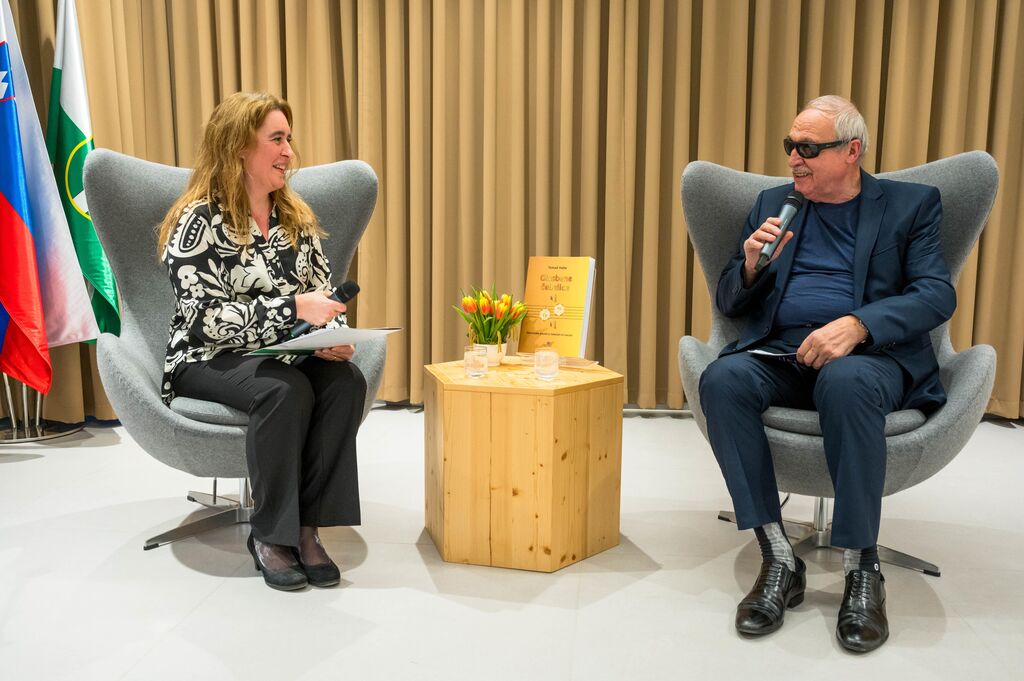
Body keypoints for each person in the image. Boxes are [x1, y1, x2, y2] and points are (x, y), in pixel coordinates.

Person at [698, 95, 955, 652]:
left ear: (852, 151)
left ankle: (863, 569)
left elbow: (936, 294)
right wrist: (749, 266)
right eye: (790, 146)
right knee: (722, 379)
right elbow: (730, 301)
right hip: (783, 354)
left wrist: (859, 325)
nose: (794, 158)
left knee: (846, 381)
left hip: (871, 359)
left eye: (808, 148)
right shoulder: (773, 203)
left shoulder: (911, 206)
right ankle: (778, 556)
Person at [156, 92, 366, 591]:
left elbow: (321, 296)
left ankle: (308, 530)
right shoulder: (197, 222)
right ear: (238, 148)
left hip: (283, 352)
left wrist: (332, 338)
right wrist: (293, 310)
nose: (289, 151)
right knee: (283, 390)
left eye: (288, 139)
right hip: (205, 356)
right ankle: (270, 535)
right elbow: (206, 321)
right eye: (276, 139)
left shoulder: (296, 218)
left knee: (345, 382)